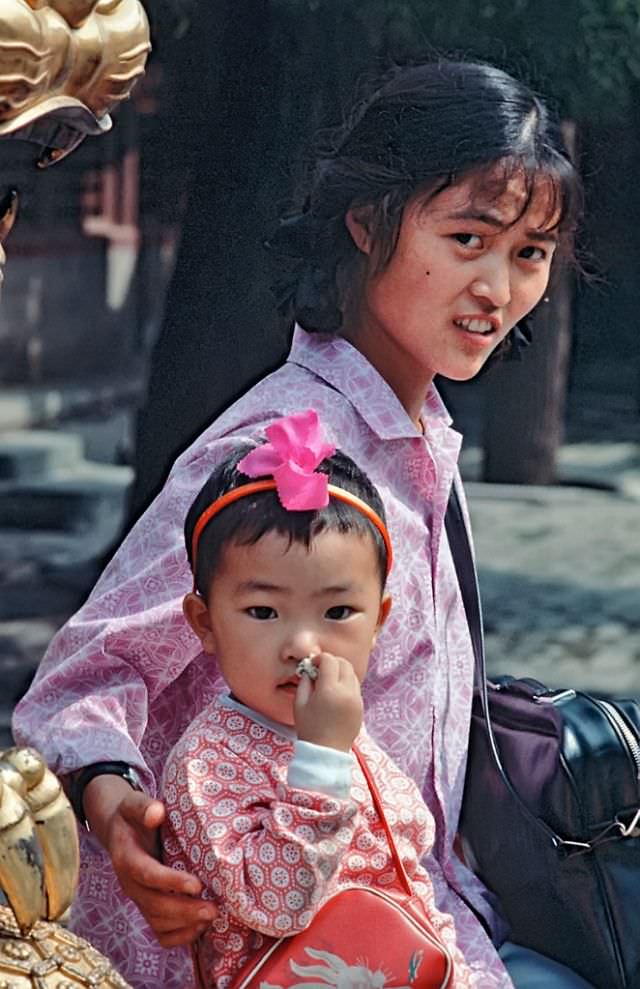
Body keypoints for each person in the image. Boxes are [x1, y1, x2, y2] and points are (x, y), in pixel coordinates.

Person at [13, 59, 592, 988]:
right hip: (281, 948)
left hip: (418, 922)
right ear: (366, 224)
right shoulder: (290, 451)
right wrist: (115, 808)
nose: (497, 286)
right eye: (468, 237)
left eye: (527, 255)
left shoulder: (417, 434)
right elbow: (83, 679)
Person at [162, 409, 474, 987]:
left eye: (337, 612)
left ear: (379, 620)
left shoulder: (346, 729)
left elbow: (406, 879)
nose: (302, 645)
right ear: (204, 622)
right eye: (263, 612)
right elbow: (277, 906)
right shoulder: (207, 763)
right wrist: (322, 759)